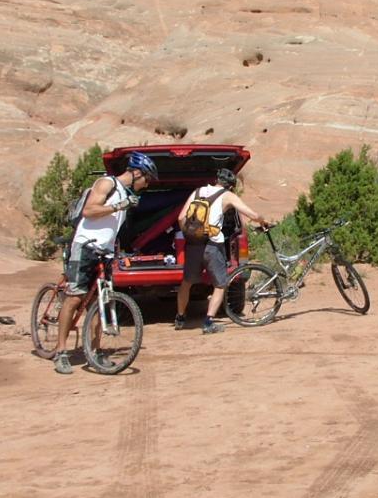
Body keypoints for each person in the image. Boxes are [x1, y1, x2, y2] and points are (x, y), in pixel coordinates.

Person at [48, 151, 158, 374]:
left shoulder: (126, 195)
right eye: (146, 178)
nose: (146, 184)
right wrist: (119, 206)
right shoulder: (107, 183)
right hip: (85, 246)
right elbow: (89, 210)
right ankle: (61, 352)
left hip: (105, 252)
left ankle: (95, 352)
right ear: (136, 173)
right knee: (75, 297)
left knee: (100, 303)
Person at [175, 168, 268, 334]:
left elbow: (181, 218)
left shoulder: (198, 191)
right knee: (221, 283)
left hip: (193, 244)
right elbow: (250, 214)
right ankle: (208, 322)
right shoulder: (227, 195)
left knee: (186, 283)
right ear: (230, 186)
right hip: (212, 245)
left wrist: (190, 235)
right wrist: (262, 220)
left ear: (216, 179)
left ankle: (180, 318)